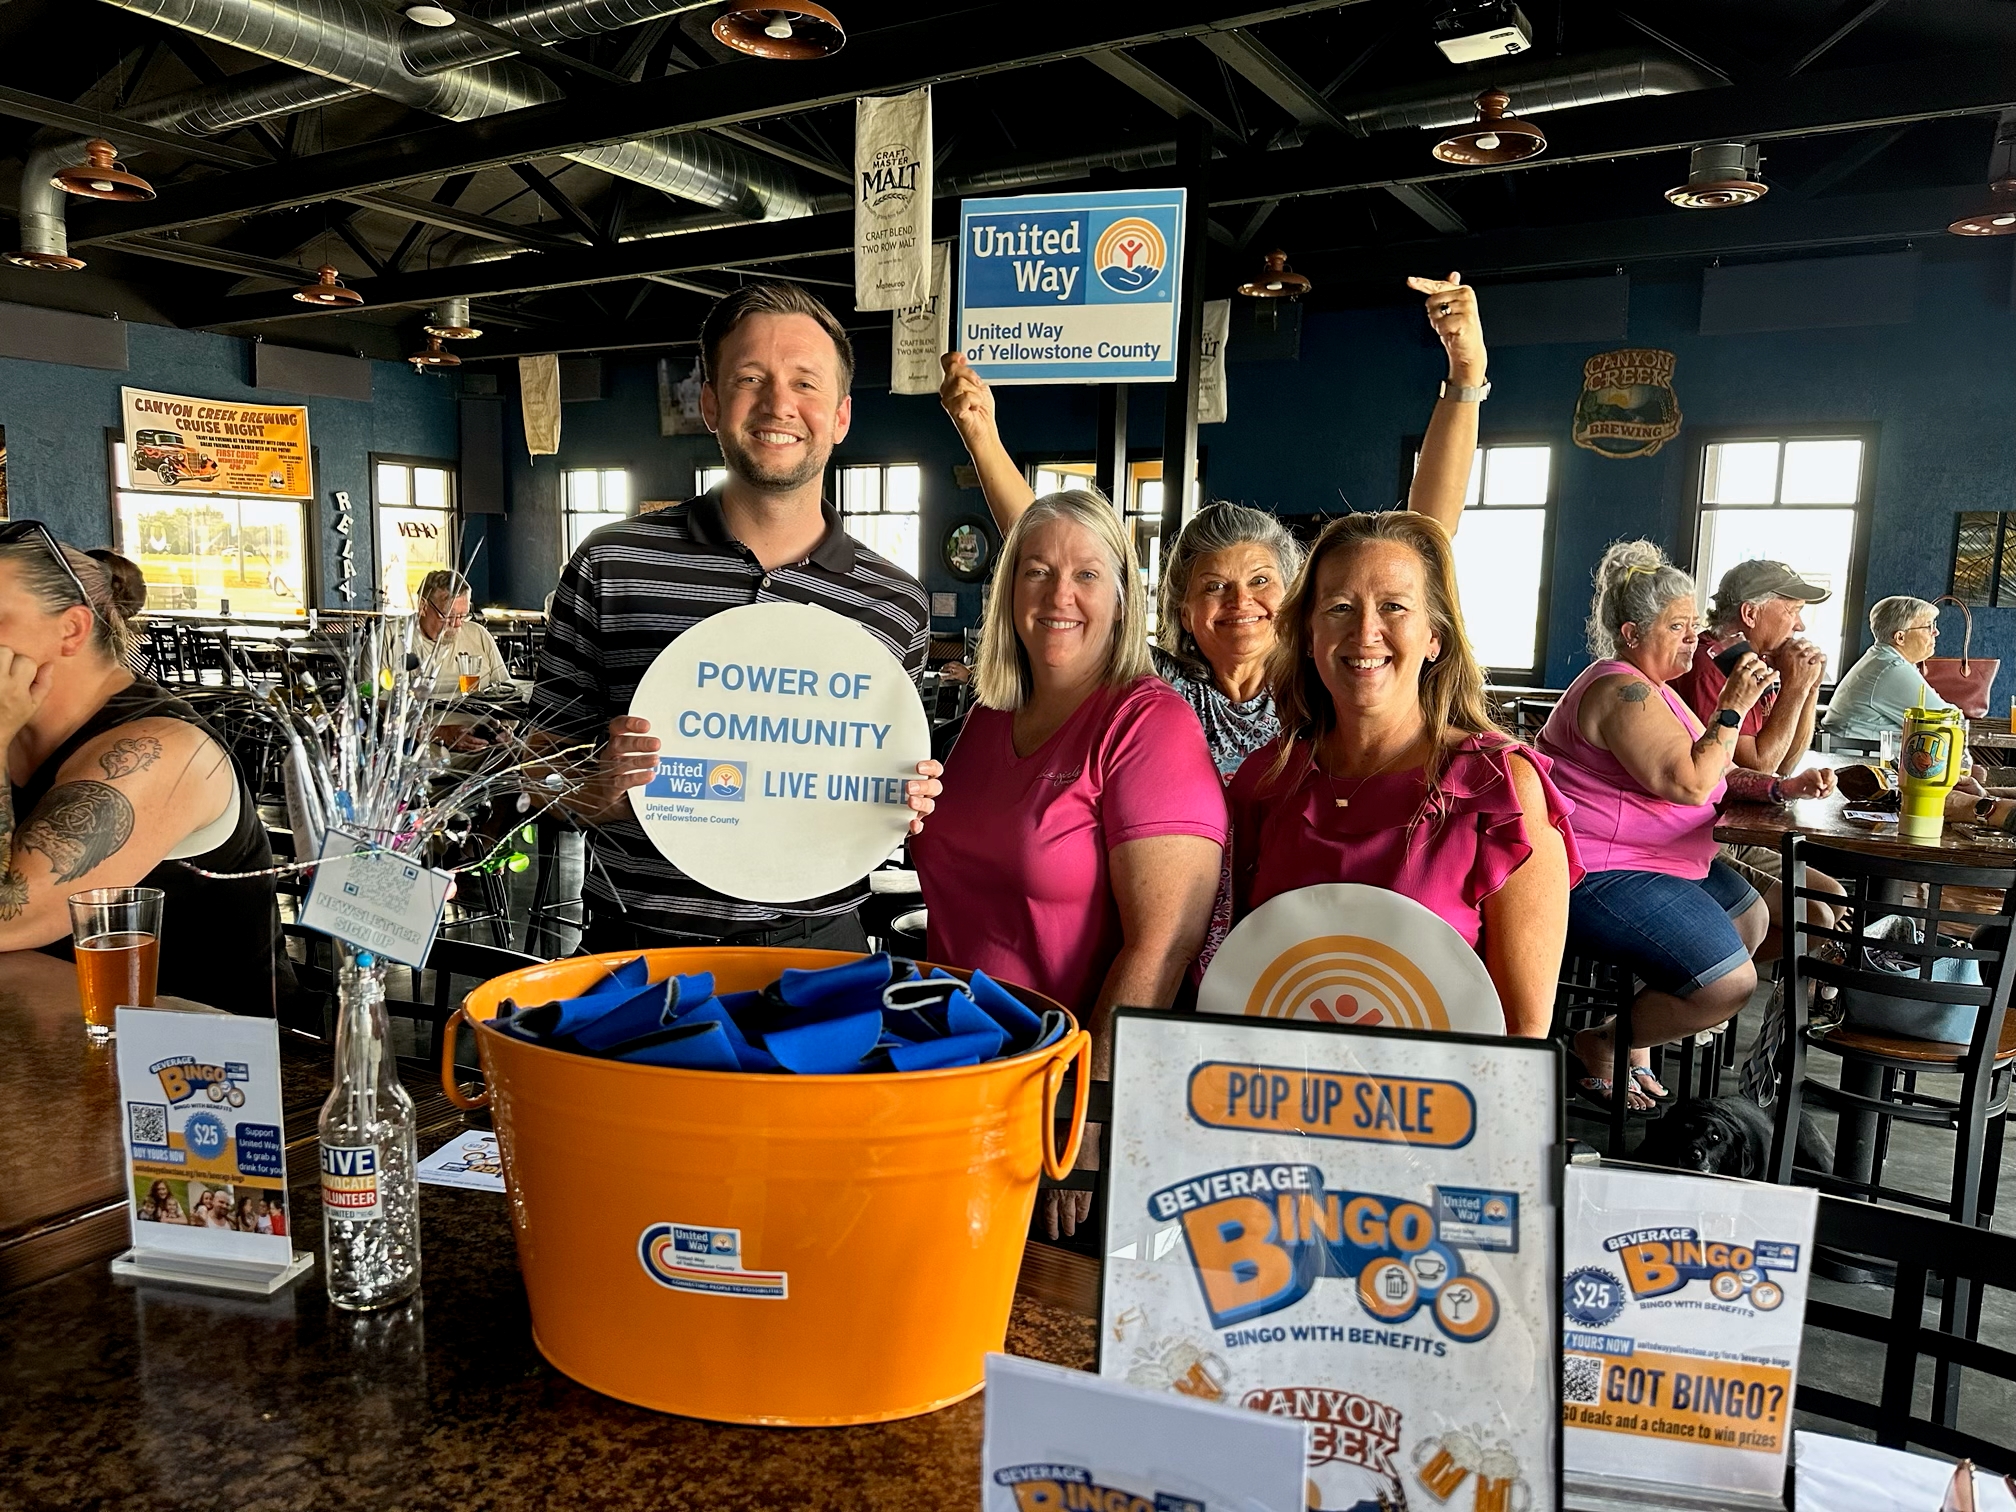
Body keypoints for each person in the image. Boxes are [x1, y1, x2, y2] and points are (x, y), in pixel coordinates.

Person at [938, 272, 1492, 774]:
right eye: (1214, 586)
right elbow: (1054, 545)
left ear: (1295, 596)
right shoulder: (1158, 683)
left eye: (1259, 581)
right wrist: (981, 434)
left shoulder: (1319, 684)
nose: (1239, 601)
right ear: (1184, 610)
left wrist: (1466, 379)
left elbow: (1423, 540)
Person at [535, 283, 942, 953]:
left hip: (819, 953)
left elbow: (882, 772)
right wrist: (594, 786)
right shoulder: (611, 562)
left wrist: (906, 799)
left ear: (840, 417)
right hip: (638, 955)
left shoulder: (894, 601)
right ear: (711, 405)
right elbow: (536, 761)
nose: (779, 404)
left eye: (805, 384)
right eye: (751, 379)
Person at [912, 491, 1226, 1238]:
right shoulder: (989, 718)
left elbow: (1163, 943)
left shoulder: (1147, 724)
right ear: (1008, 591)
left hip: (1058, 1099)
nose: (1059, 595)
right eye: (1037, 571)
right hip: (950, 1075)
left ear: (1122, 597)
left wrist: (1085, 1112)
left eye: (1087, 574)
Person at [1228, 511, 1580, 1038]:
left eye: (1393, 606)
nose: (1366, 631)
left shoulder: (1504, 790)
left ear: (1434, 637)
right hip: (1273, 1096)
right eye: (1340, 607)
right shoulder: (1266, 778)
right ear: (1307, 635)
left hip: (1437, 1108)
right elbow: (1232, 968)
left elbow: (1522, 1032)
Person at [1536, 542, 1833, 1113]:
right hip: (1602, 870)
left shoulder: (1657, 689)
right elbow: (1691, 782)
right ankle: (1602, 1044)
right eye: (1677, 627)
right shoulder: (1620, 691)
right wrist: (1732, 706)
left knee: (1754, 917)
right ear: (1630, 632)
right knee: (1730, 985)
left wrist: (1780, 787)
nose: (1692, 639)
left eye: (1694, 625)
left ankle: (1634, 1036)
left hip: (1665, 858)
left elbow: (1717, 766)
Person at [0, 523, 282, 1012]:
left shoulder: (159, 751)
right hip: (54, 1031)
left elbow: (8, 920)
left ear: (71, 630)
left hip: (200, 1069)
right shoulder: (17, 729)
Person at [1669, 558, 1843, 944]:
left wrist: (1809, 688)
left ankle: (1773, 992)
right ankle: (1706, 981)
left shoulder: (1751, 662)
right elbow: (1758, 766)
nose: (1799, 626)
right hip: (1704, 833)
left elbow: (1784, 764)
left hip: (1735, 830)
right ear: (1750, 612)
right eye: (1793, 611)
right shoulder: (1714, 666)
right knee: (1814, 917)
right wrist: (1795, 688)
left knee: (1833, 897)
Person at [1823, 595, 1953, 743]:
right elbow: (1947, 722)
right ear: (1900, 638)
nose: (1936, 632)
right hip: (1862, 759)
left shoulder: (1881, 658)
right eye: (1928, 626)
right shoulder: (1891, 669)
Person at [413, 569, 511, 699]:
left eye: (463, 616)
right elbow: (381, 705)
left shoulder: (478, 635)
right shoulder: (393, 638)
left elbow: (506, 691)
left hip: (480, 718)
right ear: (422, 607)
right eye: (449, 615)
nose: (458, 624)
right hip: (424, 719)